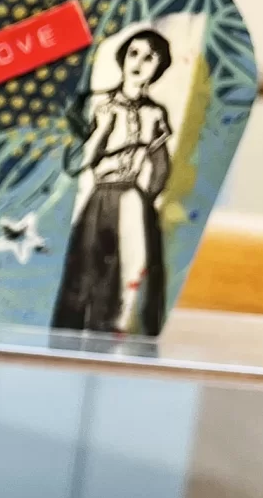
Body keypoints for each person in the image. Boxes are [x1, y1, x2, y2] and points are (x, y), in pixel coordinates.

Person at [51, 25, 175, 336]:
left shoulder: (155, 114)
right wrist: (101, 131)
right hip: (100, 199)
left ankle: (119, 337)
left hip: (133, 200)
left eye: (149, 58)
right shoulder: (97, 104)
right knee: (87, 272)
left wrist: (144, 200)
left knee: (131, 274)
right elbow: (74, 165)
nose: (139, 63)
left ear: (159, 67)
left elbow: (161, 167)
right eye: (134, 53)